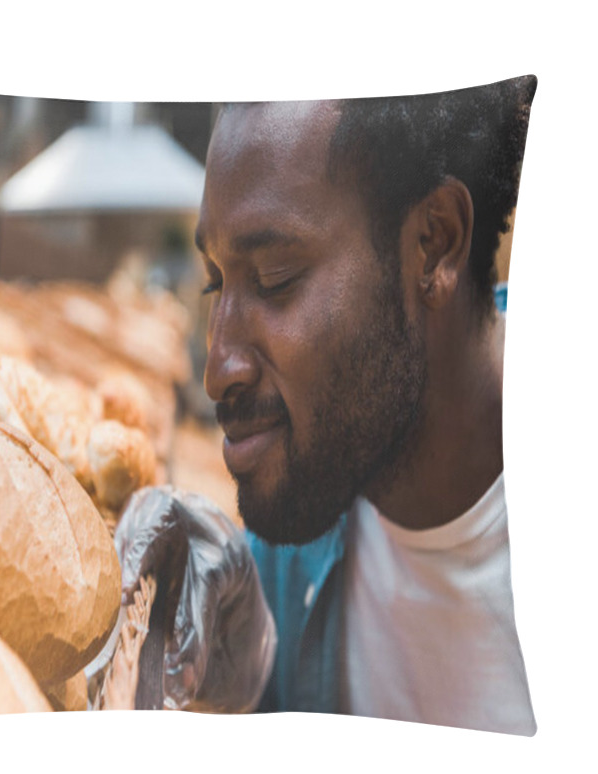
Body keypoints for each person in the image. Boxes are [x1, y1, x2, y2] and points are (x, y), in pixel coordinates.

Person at [117, 77, 537, 735]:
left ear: (433, 243)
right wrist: (250, 693)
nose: (216, 367)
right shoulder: (301, 519)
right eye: (215, 283)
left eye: (275, 280)